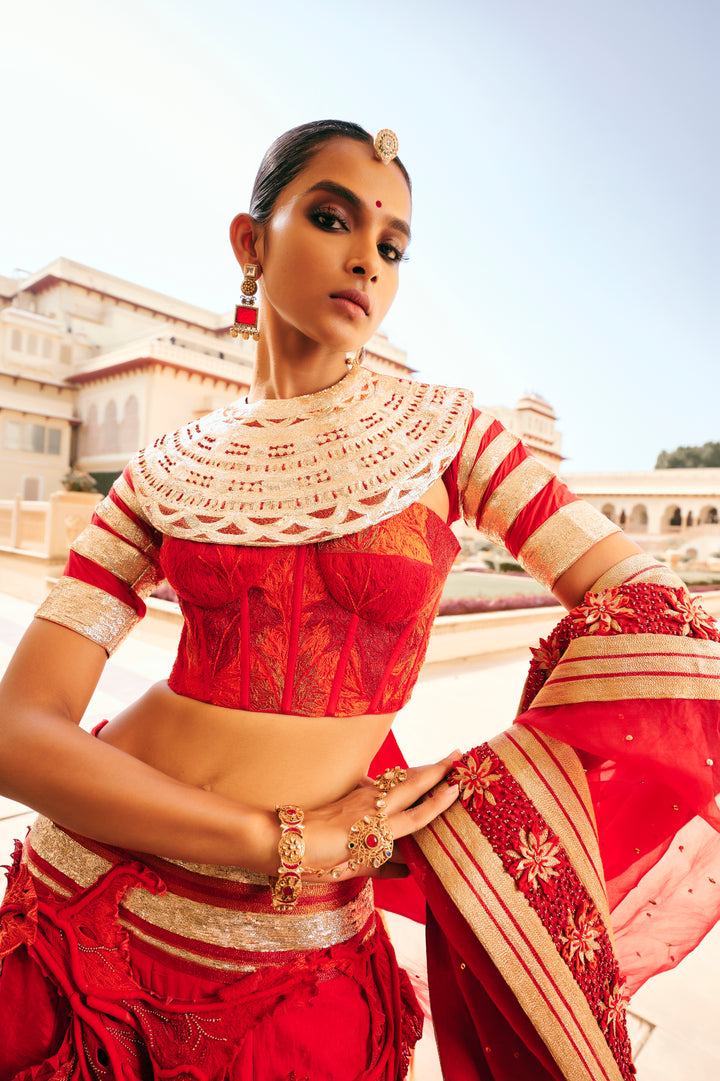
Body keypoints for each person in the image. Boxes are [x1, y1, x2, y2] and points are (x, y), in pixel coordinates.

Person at [0, 120, 719, 1081]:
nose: (366, 262)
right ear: (251, 243)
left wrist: (477, 801)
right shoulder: (163, 470)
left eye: (391, 246)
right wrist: (282, 839)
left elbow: (653, 606)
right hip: (87, 899)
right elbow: (17, 730)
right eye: (332, 218)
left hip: (296, 950)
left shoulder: (448, 435)